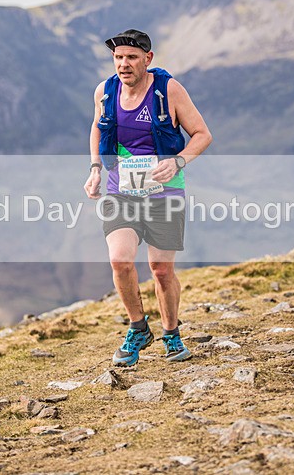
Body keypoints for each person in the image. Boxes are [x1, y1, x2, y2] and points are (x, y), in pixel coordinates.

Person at [83, 29, 212, 366]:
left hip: (164, 190)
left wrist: (178, 161)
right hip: (119, 189)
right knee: (120, 261)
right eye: (118, 58)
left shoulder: (168, 90)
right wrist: (96, 168)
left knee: (161, 269)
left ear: (148, 59)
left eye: (131, 58)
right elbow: (98, 127)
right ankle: (138, 328)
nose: (123, 65)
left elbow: (202, 134)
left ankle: (170, 332)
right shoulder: (105, 91)